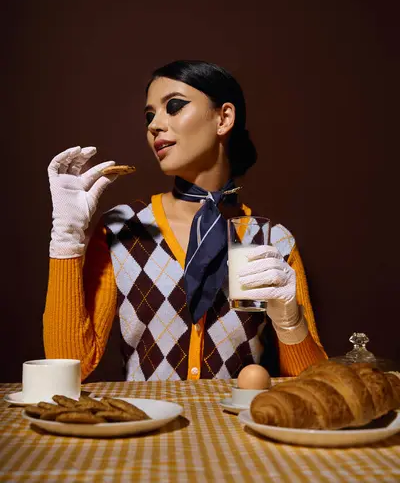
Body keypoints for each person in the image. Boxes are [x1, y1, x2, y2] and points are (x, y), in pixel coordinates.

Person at [43, 60, 326, 382]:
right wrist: (66, 237)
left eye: (173, 107)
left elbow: (312, 383)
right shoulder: (123, 229)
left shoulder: (272, 240)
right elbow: (70, 365)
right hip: (147, 426)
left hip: (237, 426)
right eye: (150, 116)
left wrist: (290, 322)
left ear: (224, 118)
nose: (154, 125)